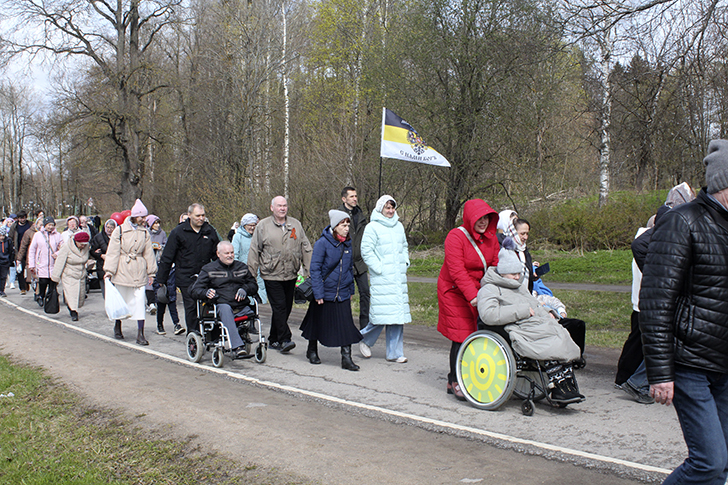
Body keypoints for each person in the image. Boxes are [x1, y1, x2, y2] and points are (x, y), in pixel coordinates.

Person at [640, 140, 728, 484]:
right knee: (709, 463)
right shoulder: (683, 222)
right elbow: (655, 302)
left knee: (723, 464)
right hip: (690, 361)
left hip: (724, 363)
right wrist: (660, 372)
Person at [478, 238, 584, 403]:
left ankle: (566, 385)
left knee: (562, 334)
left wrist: (549, 312)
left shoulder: (519, 287)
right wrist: (522, 311)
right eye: (513, 274)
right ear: (502, 272)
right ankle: (558, 386)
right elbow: (488, 314)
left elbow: (535, 304)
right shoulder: (490, 289)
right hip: (518, 327)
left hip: (534, 323)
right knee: (550, 342)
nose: (517, 277)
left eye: (519, 273)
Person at [437, 199, 499, 400]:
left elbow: (495, 266)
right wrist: (473, 296)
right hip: (454, 291)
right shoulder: (455, 237)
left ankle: (473, 375)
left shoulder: (491, 239)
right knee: (461, 333)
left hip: (480, 290)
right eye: (479, 218)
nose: (483, 222)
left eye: (486, 218)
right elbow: (457, 270)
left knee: (482, 333)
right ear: (470, 218)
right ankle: (454, 379)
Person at [248, 196, 312, 353]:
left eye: (284, 205)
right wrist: (251, 275)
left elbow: (305, 247)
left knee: (286, 308)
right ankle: (285, 339)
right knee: (279, 307)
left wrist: (309, 271)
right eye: (279, 206)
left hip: (291, 274)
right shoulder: (263, 226)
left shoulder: (295, 224)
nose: (282, 208)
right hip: (271, 274)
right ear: (272, 208)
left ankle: (273, 338)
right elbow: (254, 250)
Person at [300, 210, 362, 370]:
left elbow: (349, 269)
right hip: (324, 291)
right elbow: (315, 269)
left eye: (348, 225)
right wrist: (318, 293)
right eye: (343, 225)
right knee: (317, 322)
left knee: (346, 325)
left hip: (342, 292)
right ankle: (312, 350)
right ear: (335, 226)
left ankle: (346, 358)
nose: (346, 228)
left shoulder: (347, 243)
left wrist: (351, 290)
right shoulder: (322, 243)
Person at [358, 195, 411, 363]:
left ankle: (395, 353)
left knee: (397, 316)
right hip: (382, 277)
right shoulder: (372, 227)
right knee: (381, 315)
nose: (390, 211)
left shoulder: (399, 226)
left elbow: (404, 246)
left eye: (392, 207)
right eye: (387, 207)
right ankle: (365, 339)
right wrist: (379, 267)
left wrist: (405, 262)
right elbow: (366, 250)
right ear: (380, 208)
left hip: (398, 277)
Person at [157, 203, 220, 336]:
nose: (201, 218)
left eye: (203, 215)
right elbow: (167, 257)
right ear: (189, 215)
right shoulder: (178, 232)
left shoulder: (209, 231)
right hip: (186, 276)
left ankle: (210, 334)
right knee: (191, 306)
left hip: (206, 275)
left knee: (209, 303)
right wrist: (161, 279)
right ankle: (193, 333)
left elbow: (217, 255)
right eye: (198, 215)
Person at [189, 241, 258, 358]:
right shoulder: (209, 269)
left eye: (232, 252)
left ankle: (247, 338)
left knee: (252, 311)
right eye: (226, 253)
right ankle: (237, 347)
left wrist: (245, 289)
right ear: (218, 254)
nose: (230, 255)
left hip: (240, 305)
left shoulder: (241, 267)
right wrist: (206, 292)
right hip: (221, 304)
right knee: (225, 309)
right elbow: (195, 290)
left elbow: (253, 285)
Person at [103, 199, 157, 345]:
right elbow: (113, 252)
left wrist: (151, 272)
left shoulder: (144, 232)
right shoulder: (120, 230)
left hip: (138, 270)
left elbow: (148, 253)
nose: (144, 220)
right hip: (122, 269)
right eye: (142, 217)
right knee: (121, 300)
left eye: (145, 217)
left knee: (139, 302)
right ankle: (118, 325)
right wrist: (109, 271)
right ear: (135, 216)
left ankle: (140, 333)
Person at [339, 186, 370, 330]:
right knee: (345, 295)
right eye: (351, 196)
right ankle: (346, 325)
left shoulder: (360, 214)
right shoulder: (339, 215)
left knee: (365, 293)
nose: (355, 199)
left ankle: (365, 326)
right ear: (344, 199)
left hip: (360, 262)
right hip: (345, 261)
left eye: (356, 196)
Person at [51, 231, 90, 321]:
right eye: (81, 244)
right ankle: (73, 312)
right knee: (72, 295)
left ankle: (71, 306)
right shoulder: (66, 247)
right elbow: (59, 262)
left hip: (81, 274)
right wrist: (55, 278)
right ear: (76, 242)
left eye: (84, 244)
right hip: (69, 274)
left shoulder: (86, 247)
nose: (83, 246)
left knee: (80, 297)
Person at [231, 213, 267, 304]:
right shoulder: (237, 237)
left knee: (261, 294)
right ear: (244, 225)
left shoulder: (258, 237)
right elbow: (234, 255)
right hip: (243, 271)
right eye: (249, 225)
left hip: (258, 271)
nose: (252, 227)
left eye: (254, 225)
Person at [28, 217, 63, 306]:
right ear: (45, 225)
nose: (50, 227)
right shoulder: (38, 235)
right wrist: (31, 264)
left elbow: (63, 247)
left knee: (53, 283)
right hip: (41, 263)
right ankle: (41, 296)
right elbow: (32, 250)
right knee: (43, 282)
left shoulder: (58, 235)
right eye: (48, 225)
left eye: (52, 225)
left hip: (53, 264)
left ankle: (50, 300)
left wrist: (57, 253)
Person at [89, 219, 118, 297]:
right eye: (108, 227)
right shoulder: (98, 237)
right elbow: (92, 251)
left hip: (116, 265)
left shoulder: (118, 237)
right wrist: (101, 255)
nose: (109, 230)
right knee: (105, 291)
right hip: (102, 266)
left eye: (111, 228)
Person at [17, 217, 41, 299]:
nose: (41, 226)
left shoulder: (46, 233)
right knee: (32, 278)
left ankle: (38, 294)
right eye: (40, 224)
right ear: (35, 224)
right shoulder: (29, 232)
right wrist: (19, 259)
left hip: (42, 258)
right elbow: (23, 246)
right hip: (32, 258)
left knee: (41, 278)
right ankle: (29, 284)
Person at [9, 211, 30, 294]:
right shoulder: (14, 226)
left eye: (24, 218)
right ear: (18, 219)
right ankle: (22, 288)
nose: (23, 219)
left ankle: (27, 281)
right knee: (20, 270)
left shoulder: (30, 225)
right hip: (18, 250)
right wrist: (12, 248)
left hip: (29, 250)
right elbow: (10, 237)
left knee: (30, 269)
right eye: (21, 218)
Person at [0, 226, 15, 296]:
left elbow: (11, 251)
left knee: (3, 277)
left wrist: (10, 260)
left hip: (5, 261)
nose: (1, 237)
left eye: (3, 235)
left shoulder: (8, 241)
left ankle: (1, 290)